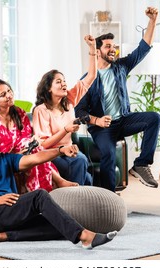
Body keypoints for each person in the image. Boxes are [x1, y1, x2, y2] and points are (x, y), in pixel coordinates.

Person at [0, 113, 118, 248]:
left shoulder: (5, 159)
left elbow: (35, 158)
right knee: (39, 196)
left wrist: (60, 150)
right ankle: (85, 237)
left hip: (11, 211)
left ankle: (2, 236)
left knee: (59, 225)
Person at [75, 7, 160, 191]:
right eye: (108, 46)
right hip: (102, 128)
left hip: (123, 120)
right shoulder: (88, 79)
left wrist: (152, 21)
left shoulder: (121, 67)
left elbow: (143, 48)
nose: (113, 49)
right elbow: (79, 111)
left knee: (154, 118)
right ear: (97, 51)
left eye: (114, 46)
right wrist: (97, 120)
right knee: (108, 153)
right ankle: (109, 197)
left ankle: (141, 164)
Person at [0, 78, 77, 193]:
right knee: (34, 152)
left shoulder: (19, 113)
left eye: (9, 91)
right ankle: (49, 188)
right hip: (3, 159)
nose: (9, 95)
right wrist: (16, 154)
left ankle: (43, 193)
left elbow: (26, 137)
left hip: (24, 155)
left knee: (34, 147)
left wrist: (28, 146)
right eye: (3, 95)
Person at [32, 35, 97, 186]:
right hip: (51, 154)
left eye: (65, 81)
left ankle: (77, 202)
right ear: (48, 88)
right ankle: (74, 204)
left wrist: (92, 49)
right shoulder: (41, 110)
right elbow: (44, 145)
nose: (64, 84)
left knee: (87, 177)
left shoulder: (69, 101)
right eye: (59, 82)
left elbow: (91, 76)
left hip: (69, 151)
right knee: (81, 161)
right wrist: (66, 130)